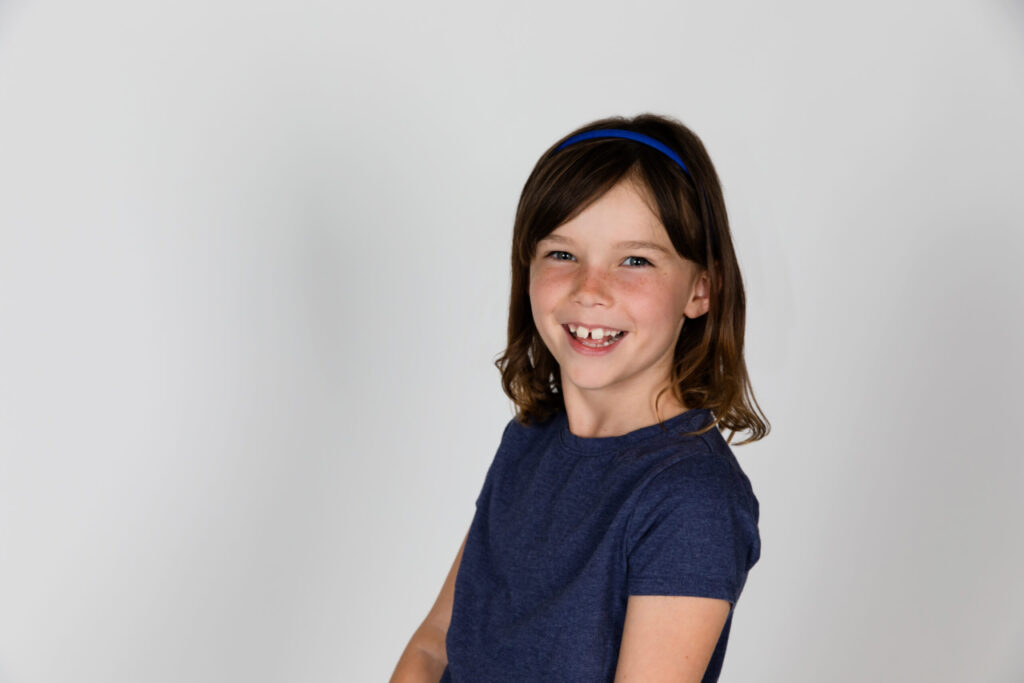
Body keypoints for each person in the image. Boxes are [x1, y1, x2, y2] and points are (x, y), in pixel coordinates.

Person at [390, 113, 769, 683]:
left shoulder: (692, 500)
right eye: (562, 254)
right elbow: (434, 645)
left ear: (701, 288)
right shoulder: (528, 440)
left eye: (635, 260)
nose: (590, 290)